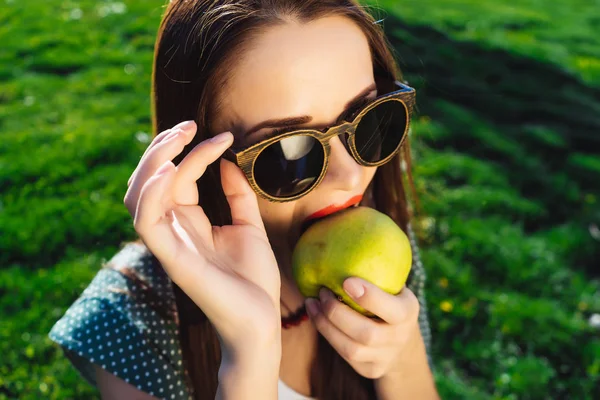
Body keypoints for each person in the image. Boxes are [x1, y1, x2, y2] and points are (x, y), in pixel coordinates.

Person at [49, 1, 440, 399]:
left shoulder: (381, 238)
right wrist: (248, 357)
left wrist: (401, 357)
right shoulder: (130, 320)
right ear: (199, 160)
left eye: (371, 118)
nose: (351, 176)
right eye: (290, 152)